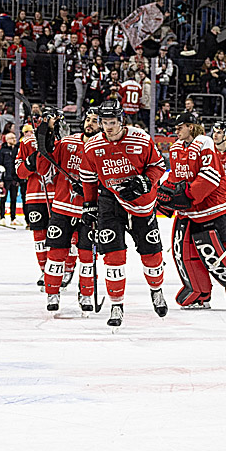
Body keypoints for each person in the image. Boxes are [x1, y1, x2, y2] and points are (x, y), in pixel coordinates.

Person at [79, 100, 169, 330]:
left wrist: (145, 181)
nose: (108, 127)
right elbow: (88, 178)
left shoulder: (140, 138)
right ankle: (116, 304)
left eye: (112, 122)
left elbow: (159, 165)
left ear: (121, 121)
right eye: (104, 122)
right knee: (113, 255)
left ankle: (156, 290)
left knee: (152, 256)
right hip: (110, 202)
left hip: (141, 203)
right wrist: (89, 205)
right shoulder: (92, 147)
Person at [156, 112, 226, 309]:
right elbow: (175, 177)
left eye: (179, 127)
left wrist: (188, 196)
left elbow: (210, 176)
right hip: (190, 212)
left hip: (215, 210)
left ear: (190, 126)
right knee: (184, 254)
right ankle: (199, 292)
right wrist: (164, 198)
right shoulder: (175, 149)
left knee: (217, 257)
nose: (175, 131)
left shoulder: (204, 143)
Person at [37, 107, 99, 313]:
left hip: (89, 210)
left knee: (87, 256)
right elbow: (45, 165)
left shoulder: (104, 148)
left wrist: (93, 186)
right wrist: (46, 132)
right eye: (88, 119)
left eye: (95, 121)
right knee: (56, 254)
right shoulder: (68, 142)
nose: (90, 123)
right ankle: (52, 293)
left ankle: (87, 293)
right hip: (62, 208)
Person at [15, 122, 56, 288]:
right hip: (35, 196)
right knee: (40, 237)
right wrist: (30, 164)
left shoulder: (66, 142)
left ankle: (62, 269)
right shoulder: (26, 143)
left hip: (60, 196)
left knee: (61, 236)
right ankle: (44, 270)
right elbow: (19, 172)